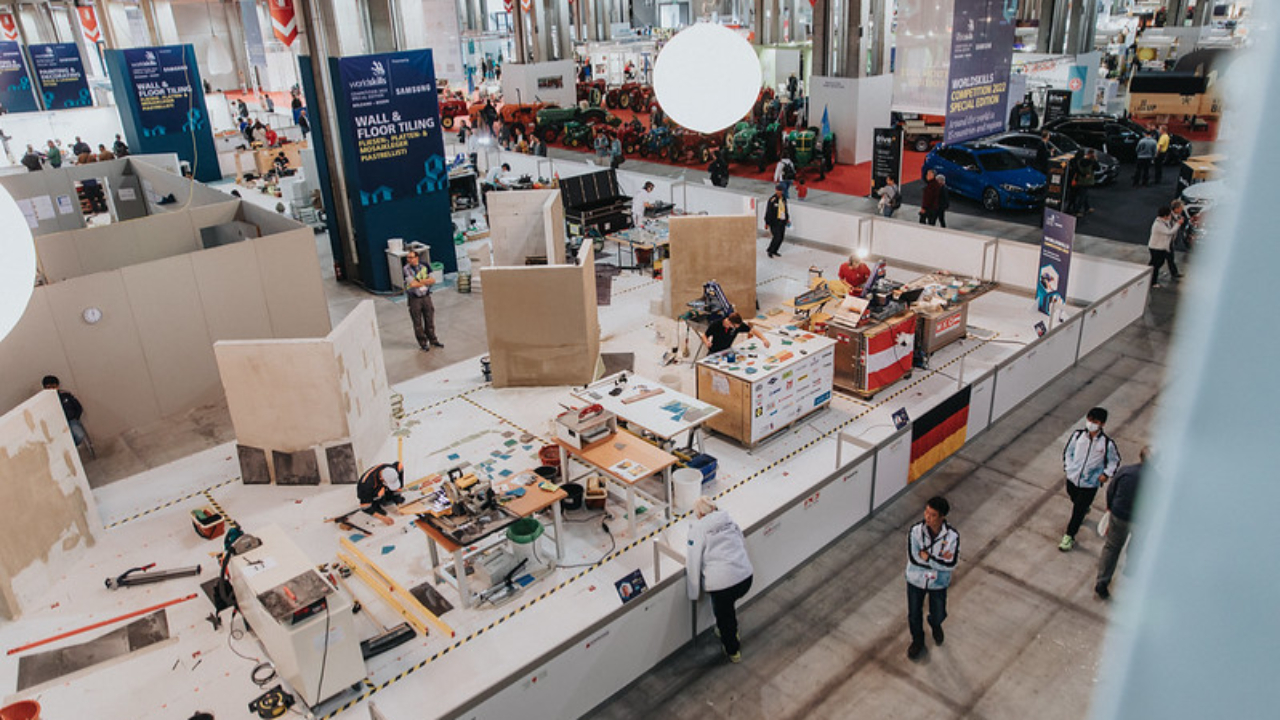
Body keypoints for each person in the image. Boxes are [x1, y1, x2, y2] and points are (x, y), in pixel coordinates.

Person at [687, 497, 753, 662]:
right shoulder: (729, 519)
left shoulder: (698, 528)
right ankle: (726, 629)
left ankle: (733, 651)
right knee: (727, 611)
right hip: (745, 578)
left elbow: (693, 560)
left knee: (725, 617)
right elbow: (741, 541)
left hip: (722, 585)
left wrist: (694, 593)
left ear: (700, 514)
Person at [1059, 407, 1121, 551]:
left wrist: (1106, 474)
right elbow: (1069, 452)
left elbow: (1114, 461)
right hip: (1073, 478)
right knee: (1073, 498)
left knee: (1077, 511)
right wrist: (1069, 468)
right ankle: (1083, 508)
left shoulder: (1106, 444)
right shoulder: (1077, 436)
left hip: (1090, 484)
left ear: (1102, 424)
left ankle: (1069, 536)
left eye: (1095, 421)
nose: (1091, 423)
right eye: (1089, 419)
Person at [905, 496, 959, 660]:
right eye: (926, 512)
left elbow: (951, 564)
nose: (927, 517)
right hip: (915, 580)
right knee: (914, 613)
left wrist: (928, 558)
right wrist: (938, 560)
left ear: (942, 517)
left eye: (932, 515)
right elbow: (914, 558)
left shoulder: (951, 537)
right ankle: (918, 641)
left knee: (939, 613)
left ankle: (935, 623)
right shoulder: (915, 531)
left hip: (938, 583)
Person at [1095, 447, 1149, 600]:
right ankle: (1130, 567)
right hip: (1140, 520)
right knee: (1137, 543)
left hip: (1119, 515)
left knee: (1112, 547)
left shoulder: (1126, 471)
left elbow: (1111, 490)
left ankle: (1102, 581)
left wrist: (1109, 506)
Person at [403, 250, 443, 352]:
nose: (409, 260)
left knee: (429, 319)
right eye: (408, 258)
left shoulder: (424, 266)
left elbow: (433, 280)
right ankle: (423, 343)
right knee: (417, 322)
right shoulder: (406, 268)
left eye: (411, 257)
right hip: (414, 298)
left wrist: (419, 281)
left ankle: (433, 340)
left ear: (417, 258)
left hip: (426, 296)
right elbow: (412, 284)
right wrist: (425, 281)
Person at [42, 375, 87, 448]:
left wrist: (75, 417)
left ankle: (71, 448)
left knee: (79, 435)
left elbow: (78, 407)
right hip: (55, 425)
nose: (52, 389)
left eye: (53, 387)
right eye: (48, 387)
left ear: (57, 386)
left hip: (71, 421)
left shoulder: (66, 395)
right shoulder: (43, 401)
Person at [357, 462, 405, 526]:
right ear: (382, 479)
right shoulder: (367, 485)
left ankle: (390, 498)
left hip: (381, 484)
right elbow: (364, 507)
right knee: (379, 498)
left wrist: (399, 504)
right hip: (371, 492)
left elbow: (399, 465)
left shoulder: (393, 470)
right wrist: (382, 518)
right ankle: (376, 504)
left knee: (394, 499)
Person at [700, 312, 771, 355]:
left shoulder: (738, 326)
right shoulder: (716, 324)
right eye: (735, 327)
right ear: (730, 323)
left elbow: (752, 330)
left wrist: (763, 339)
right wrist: (707, 342)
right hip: (714, 351)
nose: (736, 328)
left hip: (727, 350)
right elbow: (704, 335)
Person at [1147, 205, 1182, 287]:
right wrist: (1178, 224)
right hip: (1156, 247)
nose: (1171, 216)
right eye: (1169, 215)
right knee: (1156, 264)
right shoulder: (1158, 224)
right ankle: (1152, 281)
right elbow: (1169, 232)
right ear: (1165, 216)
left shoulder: (1164, 222)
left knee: (1157, 263)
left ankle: (1148, 274)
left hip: (1161, 247)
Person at [1072, 149, 1099, 215]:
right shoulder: (1092, 162)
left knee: (1084, 194)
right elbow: (1098, 168)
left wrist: (1082, 175)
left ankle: (1087, 208)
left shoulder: (1079, 161)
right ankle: (1076, 211)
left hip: (1080, 180)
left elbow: (1076, 170)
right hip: (1088, 181)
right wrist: (1095, 160)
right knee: (1083, 196)